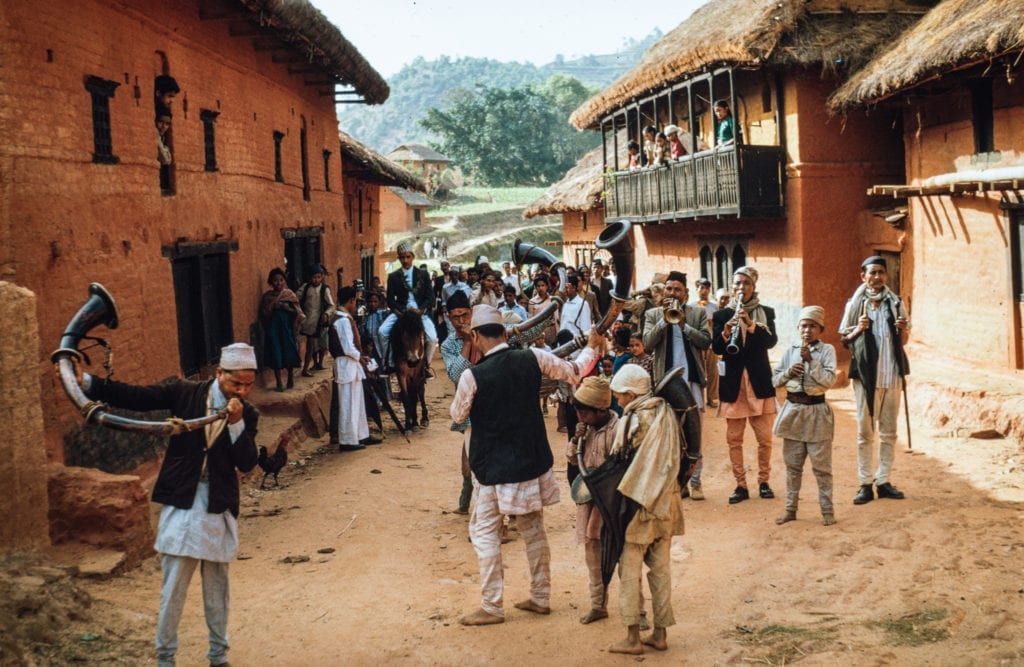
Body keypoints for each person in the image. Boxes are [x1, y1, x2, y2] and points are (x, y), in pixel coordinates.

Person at [67, 343, 260, 667]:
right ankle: (165, 657)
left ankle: (218, 655)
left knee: (217, 589)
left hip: (217, 504)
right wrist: (86, 383)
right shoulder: (184, 393)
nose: (241, 391)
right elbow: (137, 397)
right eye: (235, 383)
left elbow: (248, 461)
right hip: (183, 501)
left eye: (248, 385)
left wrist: (237, 423)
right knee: (173, 588)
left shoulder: (248, 413)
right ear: (218, 374)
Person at [450, 305, 602, 626]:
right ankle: (540, 597)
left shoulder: (471, 376)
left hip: (492, 469)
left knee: (484, 534)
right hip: (532, 462)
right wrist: (592, 344)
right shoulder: (533, 357)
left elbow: (457, 416)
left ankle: (491, 607)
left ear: (475, 336)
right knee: (533, 529)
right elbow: (575, 371)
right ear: (505, 333)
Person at [607, 364, 685, 655]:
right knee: (661, 570)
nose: (618, 401)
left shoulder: (633, 420)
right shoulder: (666, 412)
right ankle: (660, 634)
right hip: (667, 503)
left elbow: (620, 462)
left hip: (637, 506)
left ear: (630, 393)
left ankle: (632, 639)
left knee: (629, 571)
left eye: (620, 396)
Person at [839, 256, 910, 505]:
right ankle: (865, 483)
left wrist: (903, 330)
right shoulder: (856, 304)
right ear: (863, 276)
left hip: (891, 376)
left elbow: (904, 341)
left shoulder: (896, 303)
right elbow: (844, 338)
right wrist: (858, 328)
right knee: (865, 433)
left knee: (889, 432)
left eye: (881, 272)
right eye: (872, 273)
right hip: (865, 378)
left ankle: (883, 480)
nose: (877, 277)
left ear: (886, 276)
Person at [712, 266, 778, 504]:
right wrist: (725, 332)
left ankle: (764, 482)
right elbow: (717, 348)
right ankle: (741, 485)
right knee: (734, 439)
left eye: (746, 283)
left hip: (759, 382)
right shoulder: (721, 315)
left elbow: (771, 341)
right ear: (732, 286)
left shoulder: (766, 312)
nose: (741, 288)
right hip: (733, 384)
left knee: (764, 439)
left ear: (754, 286)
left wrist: (750, 324)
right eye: (737, 283)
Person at [643, 271, 711, 498]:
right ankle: (677, 482)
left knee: (694, 431)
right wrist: (664, 320)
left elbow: (705, 341)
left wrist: (684, 326)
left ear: (686, 293)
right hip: (666, 383)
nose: (672, 293)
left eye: (677, 290)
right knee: (670, 432)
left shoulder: (697, 313)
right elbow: (647, 344)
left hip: (691, 381)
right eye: (669, 289)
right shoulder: (653, 314)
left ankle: (696, 482)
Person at [773, 306, 838, 526]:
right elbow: (774, 381)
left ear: (821, 329)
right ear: (797, 328)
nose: (807, 330)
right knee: (792, 466)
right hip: (793, 412)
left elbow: (829, 381)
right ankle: (791, 509)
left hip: (817, 414)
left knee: (822, 468)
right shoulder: (790, 351)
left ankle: (827, 512)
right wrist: (787, 373)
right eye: (803, 325)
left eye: (812, 326)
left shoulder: (827, 350)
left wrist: (811, 360)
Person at [565, 377, 619, 624]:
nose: (580, 417)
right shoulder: (584, 429)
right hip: (589, 501)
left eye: (584, 413)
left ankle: (637, 610)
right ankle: (598, 604)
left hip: (612, 502)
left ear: (601, 410)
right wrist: (576, 439)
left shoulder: (618, 429)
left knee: (622, 556)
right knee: (592, 551)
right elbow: (573, 459)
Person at [440, 291, 478, 514]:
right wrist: (467, 343)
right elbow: (456, 375)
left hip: (493, 403)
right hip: (469, 407)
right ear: (449, 318)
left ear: (471, 313)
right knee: (469, 455)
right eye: (456, 317)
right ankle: (466, 501)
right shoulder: (448, 345)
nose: (461, 321)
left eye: (465, 315)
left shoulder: (487, 332)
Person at [381, 241, 438, 376]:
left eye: (407, 257)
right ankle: (388, 363)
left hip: (420, 313)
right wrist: (401, 312)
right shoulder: (393, 276)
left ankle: (426, 366)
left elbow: (430, 298)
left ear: (413, 257)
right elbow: (390, 301)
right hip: (401, 313)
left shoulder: (423, 275)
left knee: (432, 338)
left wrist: (421, 310)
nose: (405, 260)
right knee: (382, 332)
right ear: (399, 258)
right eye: (402, 257)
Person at [334, 286, 380, 451]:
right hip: (346, 363)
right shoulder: (342, 320)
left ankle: (361, 435)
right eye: (355, 301)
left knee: (357, 403)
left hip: (351, 364)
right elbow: (347, 347)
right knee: (348, 404)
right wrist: (359, 356)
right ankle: (347, 440)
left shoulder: (345, 318)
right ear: (351, 301)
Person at [259, 267, 303, 392]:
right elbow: (263, 313)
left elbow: (297, 313)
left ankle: (290, 377)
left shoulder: (289, 295)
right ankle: (279, 382)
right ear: (270, 283)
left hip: (287, 330)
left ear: (285, 281)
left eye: (281, 280)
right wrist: (273, 307)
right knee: (276, 354)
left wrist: (285, 308)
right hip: (273, 331)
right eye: (275, 281)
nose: (278, 283)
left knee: (289, 352)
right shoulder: (267, 297)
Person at [297, 265, 335, 377]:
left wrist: (326, 314)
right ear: (310, 277)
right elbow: (295, 298)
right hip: (307, 321)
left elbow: (331, 305)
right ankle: (306, 368)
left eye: (318, 277)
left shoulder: (324, 289)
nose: (316, 280)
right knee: (311, 346)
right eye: (314, 277)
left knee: (314, 346)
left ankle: (307, 368)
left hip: (319, 322)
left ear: (322, 277)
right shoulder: (305, 287)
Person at [693, 277, 720, 408]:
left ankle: (712, 398)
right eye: (701, 288)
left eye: (707, 288)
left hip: (711, 343)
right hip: (697, 343)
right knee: (699, 371)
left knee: (713, 372)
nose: (704, 291)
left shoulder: (714, 307)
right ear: (696, 289)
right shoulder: (691, 306)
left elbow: (719, 325)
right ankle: (699, 399)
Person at [528, 274, 559, 346]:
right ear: (535, 287)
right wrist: (531, 337)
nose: (540, 288)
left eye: (543, 285)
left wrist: (558, 333)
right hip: (539, 333)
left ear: (547, 286)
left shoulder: (552, 299)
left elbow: (556, 317)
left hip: (551, 330)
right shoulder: (532, 301)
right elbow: (530, 320)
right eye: (538, 286)